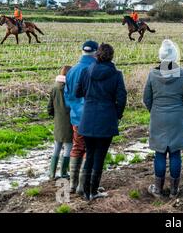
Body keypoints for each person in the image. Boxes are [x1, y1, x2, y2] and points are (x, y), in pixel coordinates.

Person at [143, 40, 183, 199]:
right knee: (175, 152)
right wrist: (181, 111)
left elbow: (146, 99)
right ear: (175, 56)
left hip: (158, 116)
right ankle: (174, 190)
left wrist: (155, 110)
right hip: (177, 117)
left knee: (159, 153)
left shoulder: (153, 74)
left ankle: (158, 190)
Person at [75, 43, 127, 201]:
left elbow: (78, 92)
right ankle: (93, 190)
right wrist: (116, 115)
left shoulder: (86, 71)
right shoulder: (116, 74)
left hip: (88, 118)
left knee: (90, 155)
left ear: (97, 55)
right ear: (111, 56)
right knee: (99, 157)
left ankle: (85, 191)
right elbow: (121, 98)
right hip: (106, 119)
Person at [64, 40, 98, 194]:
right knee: (90, 150)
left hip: (76, 117)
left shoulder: (72, 70)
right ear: (96, 52)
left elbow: (67, 96)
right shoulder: (95, 69)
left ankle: (72, 184)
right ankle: (82, 186)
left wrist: (75, 109)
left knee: (77, 147)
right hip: (92, 117)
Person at [47, 66, 73, 180]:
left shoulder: (54, 87)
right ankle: (63, 172)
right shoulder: (70, 88)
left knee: (57, 146)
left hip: (58, 121)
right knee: (68, 146)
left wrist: (54, 115)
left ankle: (51, 174)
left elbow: (49, 107)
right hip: (69, 121)